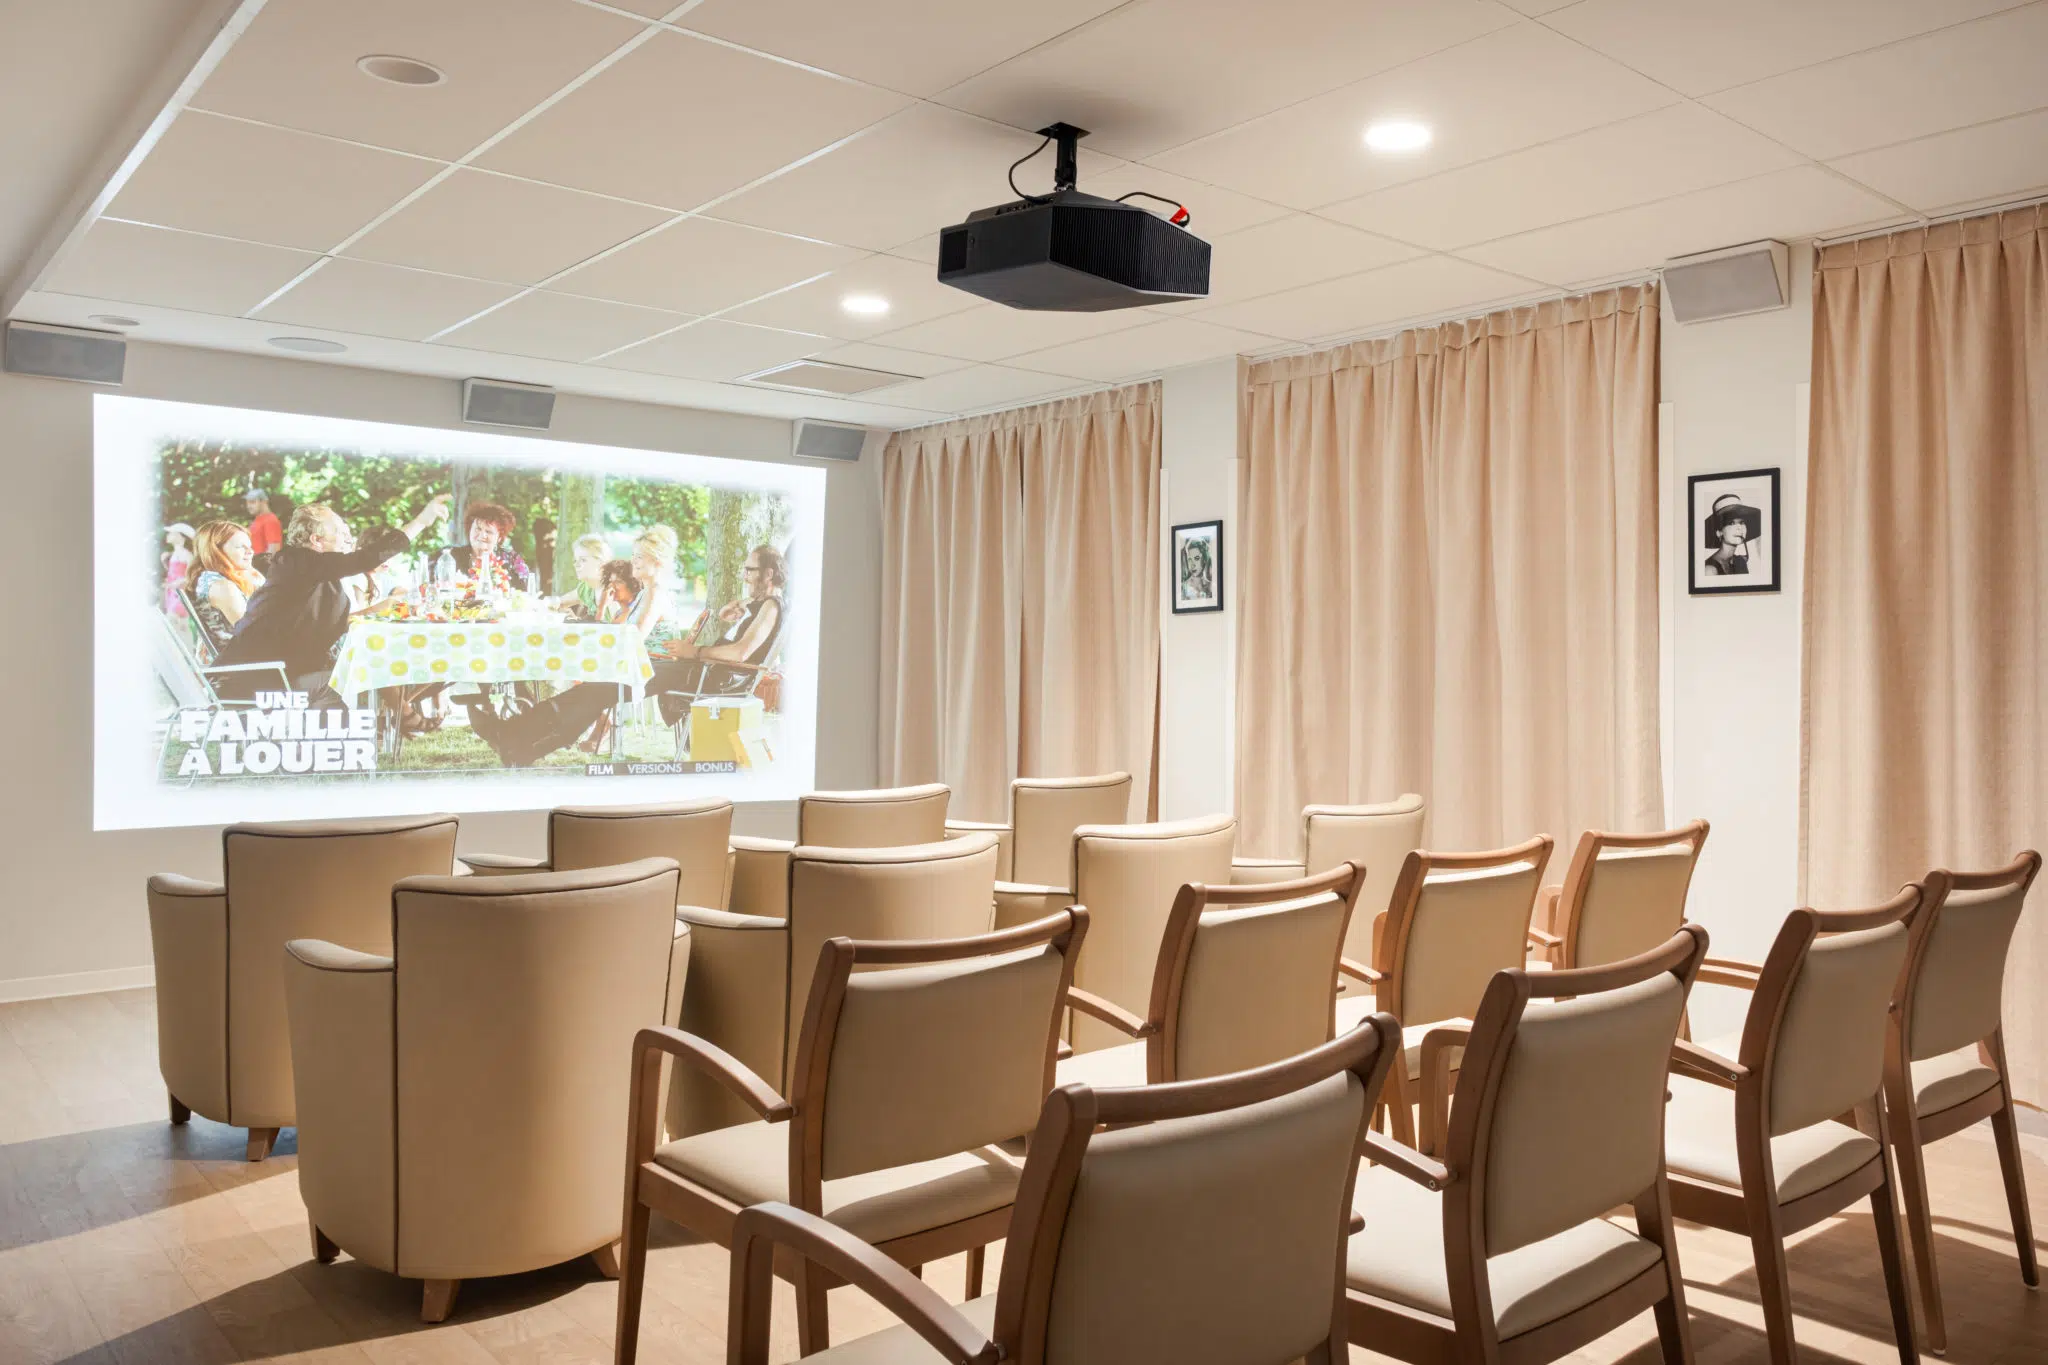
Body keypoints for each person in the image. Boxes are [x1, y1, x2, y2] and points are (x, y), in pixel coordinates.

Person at [464, 544, 785, 767]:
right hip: (700, 668)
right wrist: (733, 616)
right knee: (604, 689)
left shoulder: (771, 606)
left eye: (750, 570)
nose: (744, 575)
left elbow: (742, 652)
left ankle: (514, 735)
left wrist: (695, 650)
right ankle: (520, 745)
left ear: (769, 574)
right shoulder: (759, 605)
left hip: (709, 676)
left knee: (606, 686)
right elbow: (741, 640)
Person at [211, 495, 451, 702]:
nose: (347, 539)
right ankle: (400, 721)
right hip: (257, 680)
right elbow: (366, 558)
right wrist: (422, 521)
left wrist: (379, 609)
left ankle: (399, 721)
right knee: (369, 672)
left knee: (377, 667)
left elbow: (327, 624)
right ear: (316, 540)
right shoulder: (296, 561)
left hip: (279, 673)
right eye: (339, 532)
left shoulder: (313, 573)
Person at [184, 520, 266, 646]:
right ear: (216, 551)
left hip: (244, 657)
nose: (250, 552)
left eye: (250, 546)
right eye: (240, 547)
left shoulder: (216, 578)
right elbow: (254, 635)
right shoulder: (221, 586)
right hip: (238, 661)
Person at [450, 501, 531, 594]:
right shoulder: (452, 556)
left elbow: (526, 594)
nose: (482, 535)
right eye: (478, 529)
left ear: (499, 538)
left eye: (489, 531)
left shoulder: (513, 560)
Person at [549, 533, 610, 618]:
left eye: (583, 560)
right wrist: (575, 620)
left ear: (601, 562)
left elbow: (620, 629)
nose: (576, 565)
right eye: (575, 560)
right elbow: (558, 603)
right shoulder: (586, 588)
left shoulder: (614, 591)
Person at [1703, 492, 1761, 576]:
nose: (1739, 528)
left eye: (1742, 522)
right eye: (1731, 523)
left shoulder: (1740, 562)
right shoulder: (1710, 570)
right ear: (1719, 532)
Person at [161, 524, 196, 617]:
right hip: (171, 593)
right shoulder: (172, 554)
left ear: (180, 536)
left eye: (171, 533)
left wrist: (178, 582)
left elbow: (193, 576)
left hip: (181, 595)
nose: (168, 535)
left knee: (176, 620)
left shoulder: (187, 555)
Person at [243, 488, 283, 564]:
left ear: (264, 502)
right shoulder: (258, 520)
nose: (248, 506)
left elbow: (273, 551)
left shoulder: (270, 520)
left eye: (252, 502)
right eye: (247, 503)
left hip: (262, 570)